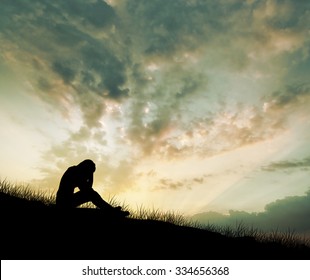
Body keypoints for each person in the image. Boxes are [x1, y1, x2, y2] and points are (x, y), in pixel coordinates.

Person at [56, 159, 129, 217]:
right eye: (89, 172)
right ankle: (112, 211)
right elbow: (86, 190)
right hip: (63, 203)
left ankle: (111, 210)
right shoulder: (73, 171)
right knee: (92, 194)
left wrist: (90, 175)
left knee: (92, 193)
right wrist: (90, 176)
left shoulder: (77, 171)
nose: (89, 174)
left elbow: (88, 189)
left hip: (68, 201)